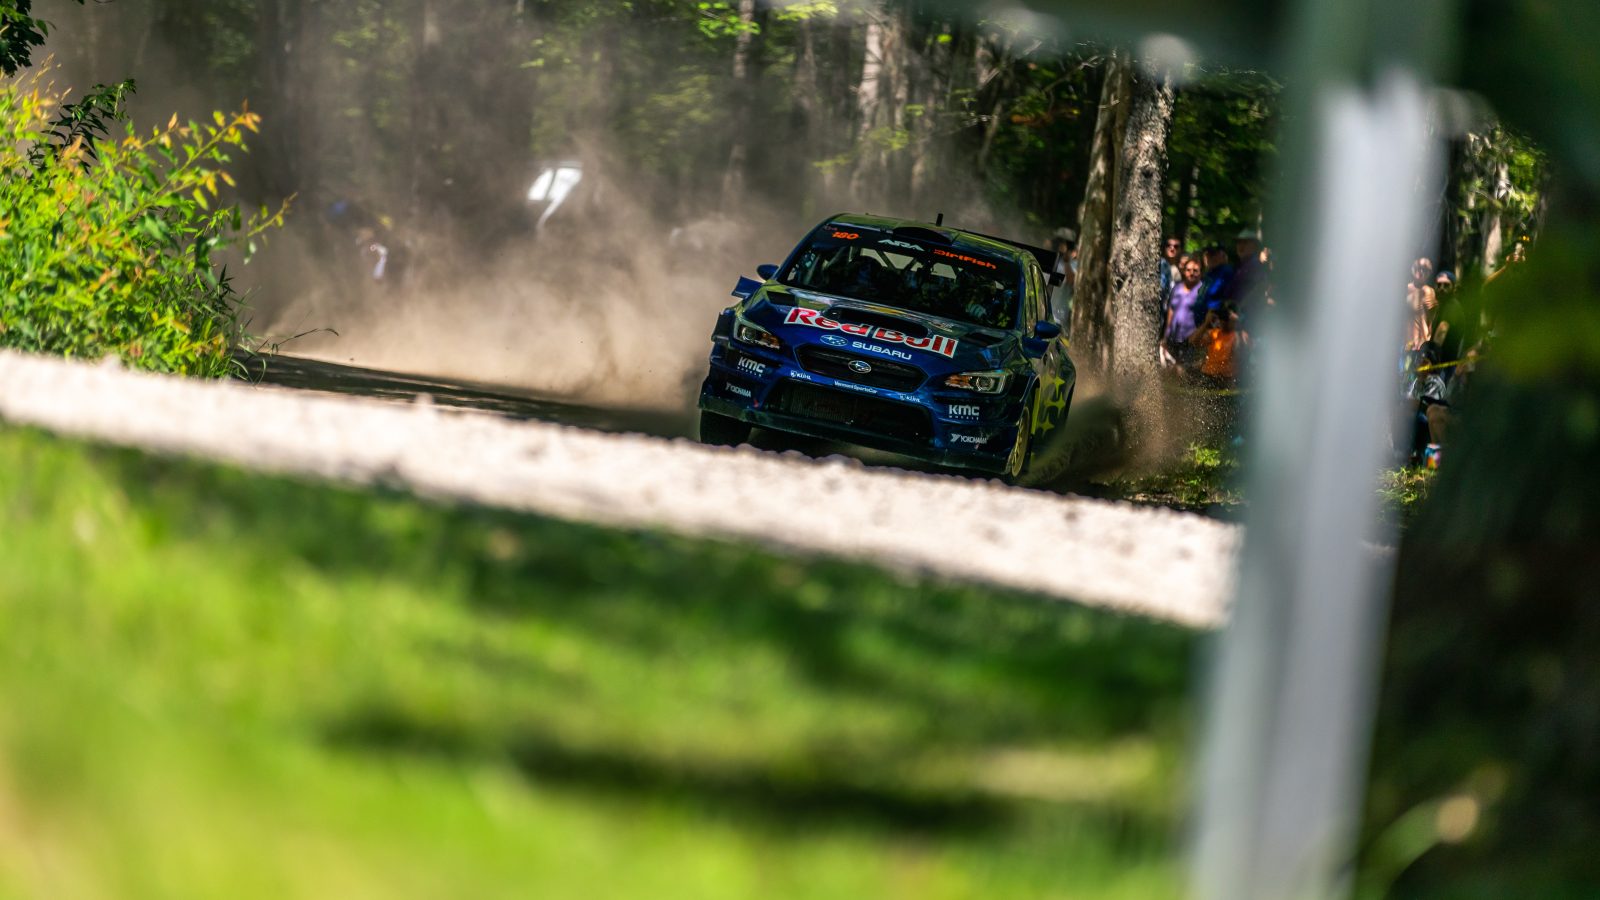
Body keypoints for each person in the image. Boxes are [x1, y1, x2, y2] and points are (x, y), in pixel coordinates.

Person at [1161, 257, 1206, 368]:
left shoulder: (1202, 290)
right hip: (1174, 337)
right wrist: (1166, 335)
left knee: (1186, 370)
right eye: (1188, 270)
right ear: (1184, 271)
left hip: (1192, 338)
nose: (1191, 273)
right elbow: (1171, 311)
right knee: (1172, 369)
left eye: (1195, 270)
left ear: (1201, 273)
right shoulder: (1177, 288)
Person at [1189, 304, 1249, 384]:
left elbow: (1242, 355)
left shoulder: (1240, 335)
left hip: (1227, 379)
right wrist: (1206, 323)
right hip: (1208, 377)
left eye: (1226, 317)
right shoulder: (1214, 333)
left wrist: (1237, 324)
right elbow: (1193, 341)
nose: (1223, 321)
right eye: (1221, 318)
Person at [1404, 257, 1437, 351]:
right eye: (1418, 268)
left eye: (1425, 270)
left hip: (1419, 343)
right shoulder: (1406, 289)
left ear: (1429, 273)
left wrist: (1425, 340)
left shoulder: (1428, 291)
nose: (1421, 271)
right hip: (1405, 340)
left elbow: (1431, 319)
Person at [1050, 227, 1078, 327]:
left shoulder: (1073, 264)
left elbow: (1071, 280)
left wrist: (1066, 261)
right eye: (1059, 242)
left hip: (1057, 318)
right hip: (1041, 312)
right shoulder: (1051, 259)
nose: (1060, 246)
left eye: (1063, 243)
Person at [1199, 244, 1235, 313]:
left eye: (1213, 254)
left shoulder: (1226, 272)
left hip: (1215, 314)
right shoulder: (1208, 274)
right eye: (1206, 255)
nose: (1209, 258)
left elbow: (1227, 299)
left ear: (1222, 256)